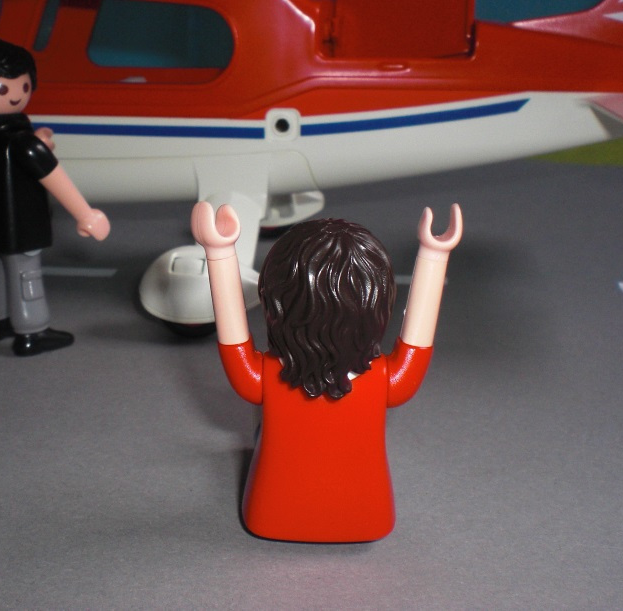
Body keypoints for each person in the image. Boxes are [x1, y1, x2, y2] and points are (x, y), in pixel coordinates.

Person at [191, 201, 462, 542]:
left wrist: (219, 253)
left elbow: (234, 341)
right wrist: (435, 256)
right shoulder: (385, 380)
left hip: (273, 511)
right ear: (377, 306)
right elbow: (416, 342)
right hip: (365, 514)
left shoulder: (265, 377)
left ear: (277, 303)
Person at [0, 38, 110, 356]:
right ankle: (32, 330)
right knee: (25, 274)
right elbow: (53, 176)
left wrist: (38, 141)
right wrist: (85, 214)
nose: (16, 96)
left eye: (24, 86)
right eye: (2, 88)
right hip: (18, 224)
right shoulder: (21, 142)